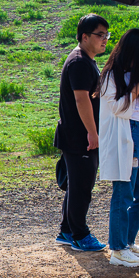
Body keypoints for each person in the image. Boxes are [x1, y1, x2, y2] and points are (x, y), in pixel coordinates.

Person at [98, 29, 139, 268]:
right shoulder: (110, 76)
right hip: (124, 136)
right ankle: (118, 249)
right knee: (123, 193)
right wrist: (137, 86)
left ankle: (127, 240)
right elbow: (117, 108)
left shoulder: (137, 74)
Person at [54, 14, 110, 253]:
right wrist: (92, 132)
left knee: (77, 185)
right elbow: (81, 99)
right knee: (81, 188)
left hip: (76, 135)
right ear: (84, 36)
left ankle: (67, 230)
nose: (105, 39)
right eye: (100, 35)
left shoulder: (85, 59)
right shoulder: (79, 61)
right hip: (80, 137)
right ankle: (80, 234)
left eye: (107, 35)